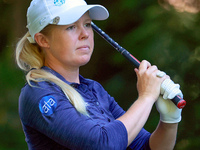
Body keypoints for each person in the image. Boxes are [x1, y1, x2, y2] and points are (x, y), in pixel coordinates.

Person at [16, 0, 183, 149]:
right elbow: (104, 145)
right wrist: (146, 98)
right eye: (71, 27)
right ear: (43, 40)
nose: (85, 34)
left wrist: (169, 120)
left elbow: (145, 146)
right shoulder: (38, 93)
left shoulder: (94, 90)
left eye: (87, 24)